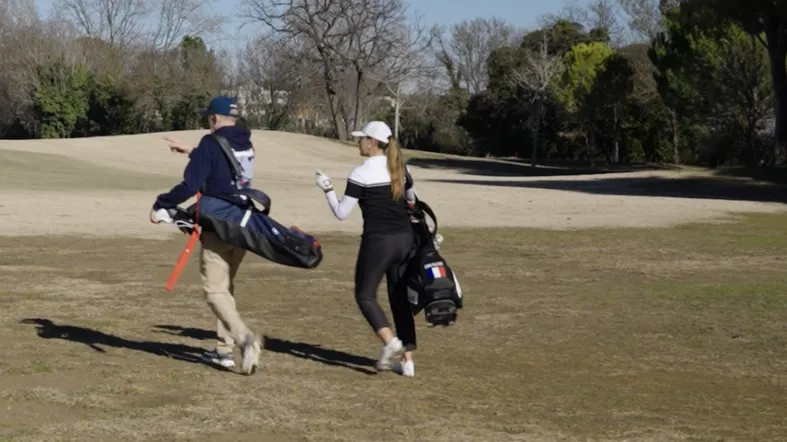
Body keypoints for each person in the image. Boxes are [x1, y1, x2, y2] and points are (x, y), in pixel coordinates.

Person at [149, 95, 262, 375]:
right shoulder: (245, 142)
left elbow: (191, 184)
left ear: (214, 119)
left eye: (208, 118)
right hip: (244, 223)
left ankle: (245, 339)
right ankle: (223, 351)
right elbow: (223, 167)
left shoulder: (211, 144)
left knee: (214, 291)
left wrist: (162, 203)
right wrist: (193, 151)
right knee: (226, 288)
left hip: (219, 226)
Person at [314, 120, 419, 377]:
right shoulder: (399, 168)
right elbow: (412, 201)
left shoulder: (360, 173)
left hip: (379, 241)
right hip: (405, 240)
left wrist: (327, 188)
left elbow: (341, 213)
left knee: (365, 295)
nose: (358, 142)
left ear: (372, 143)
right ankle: (408, 362)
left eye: (362, 138)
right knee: (399, 300)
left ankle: (390, 341)